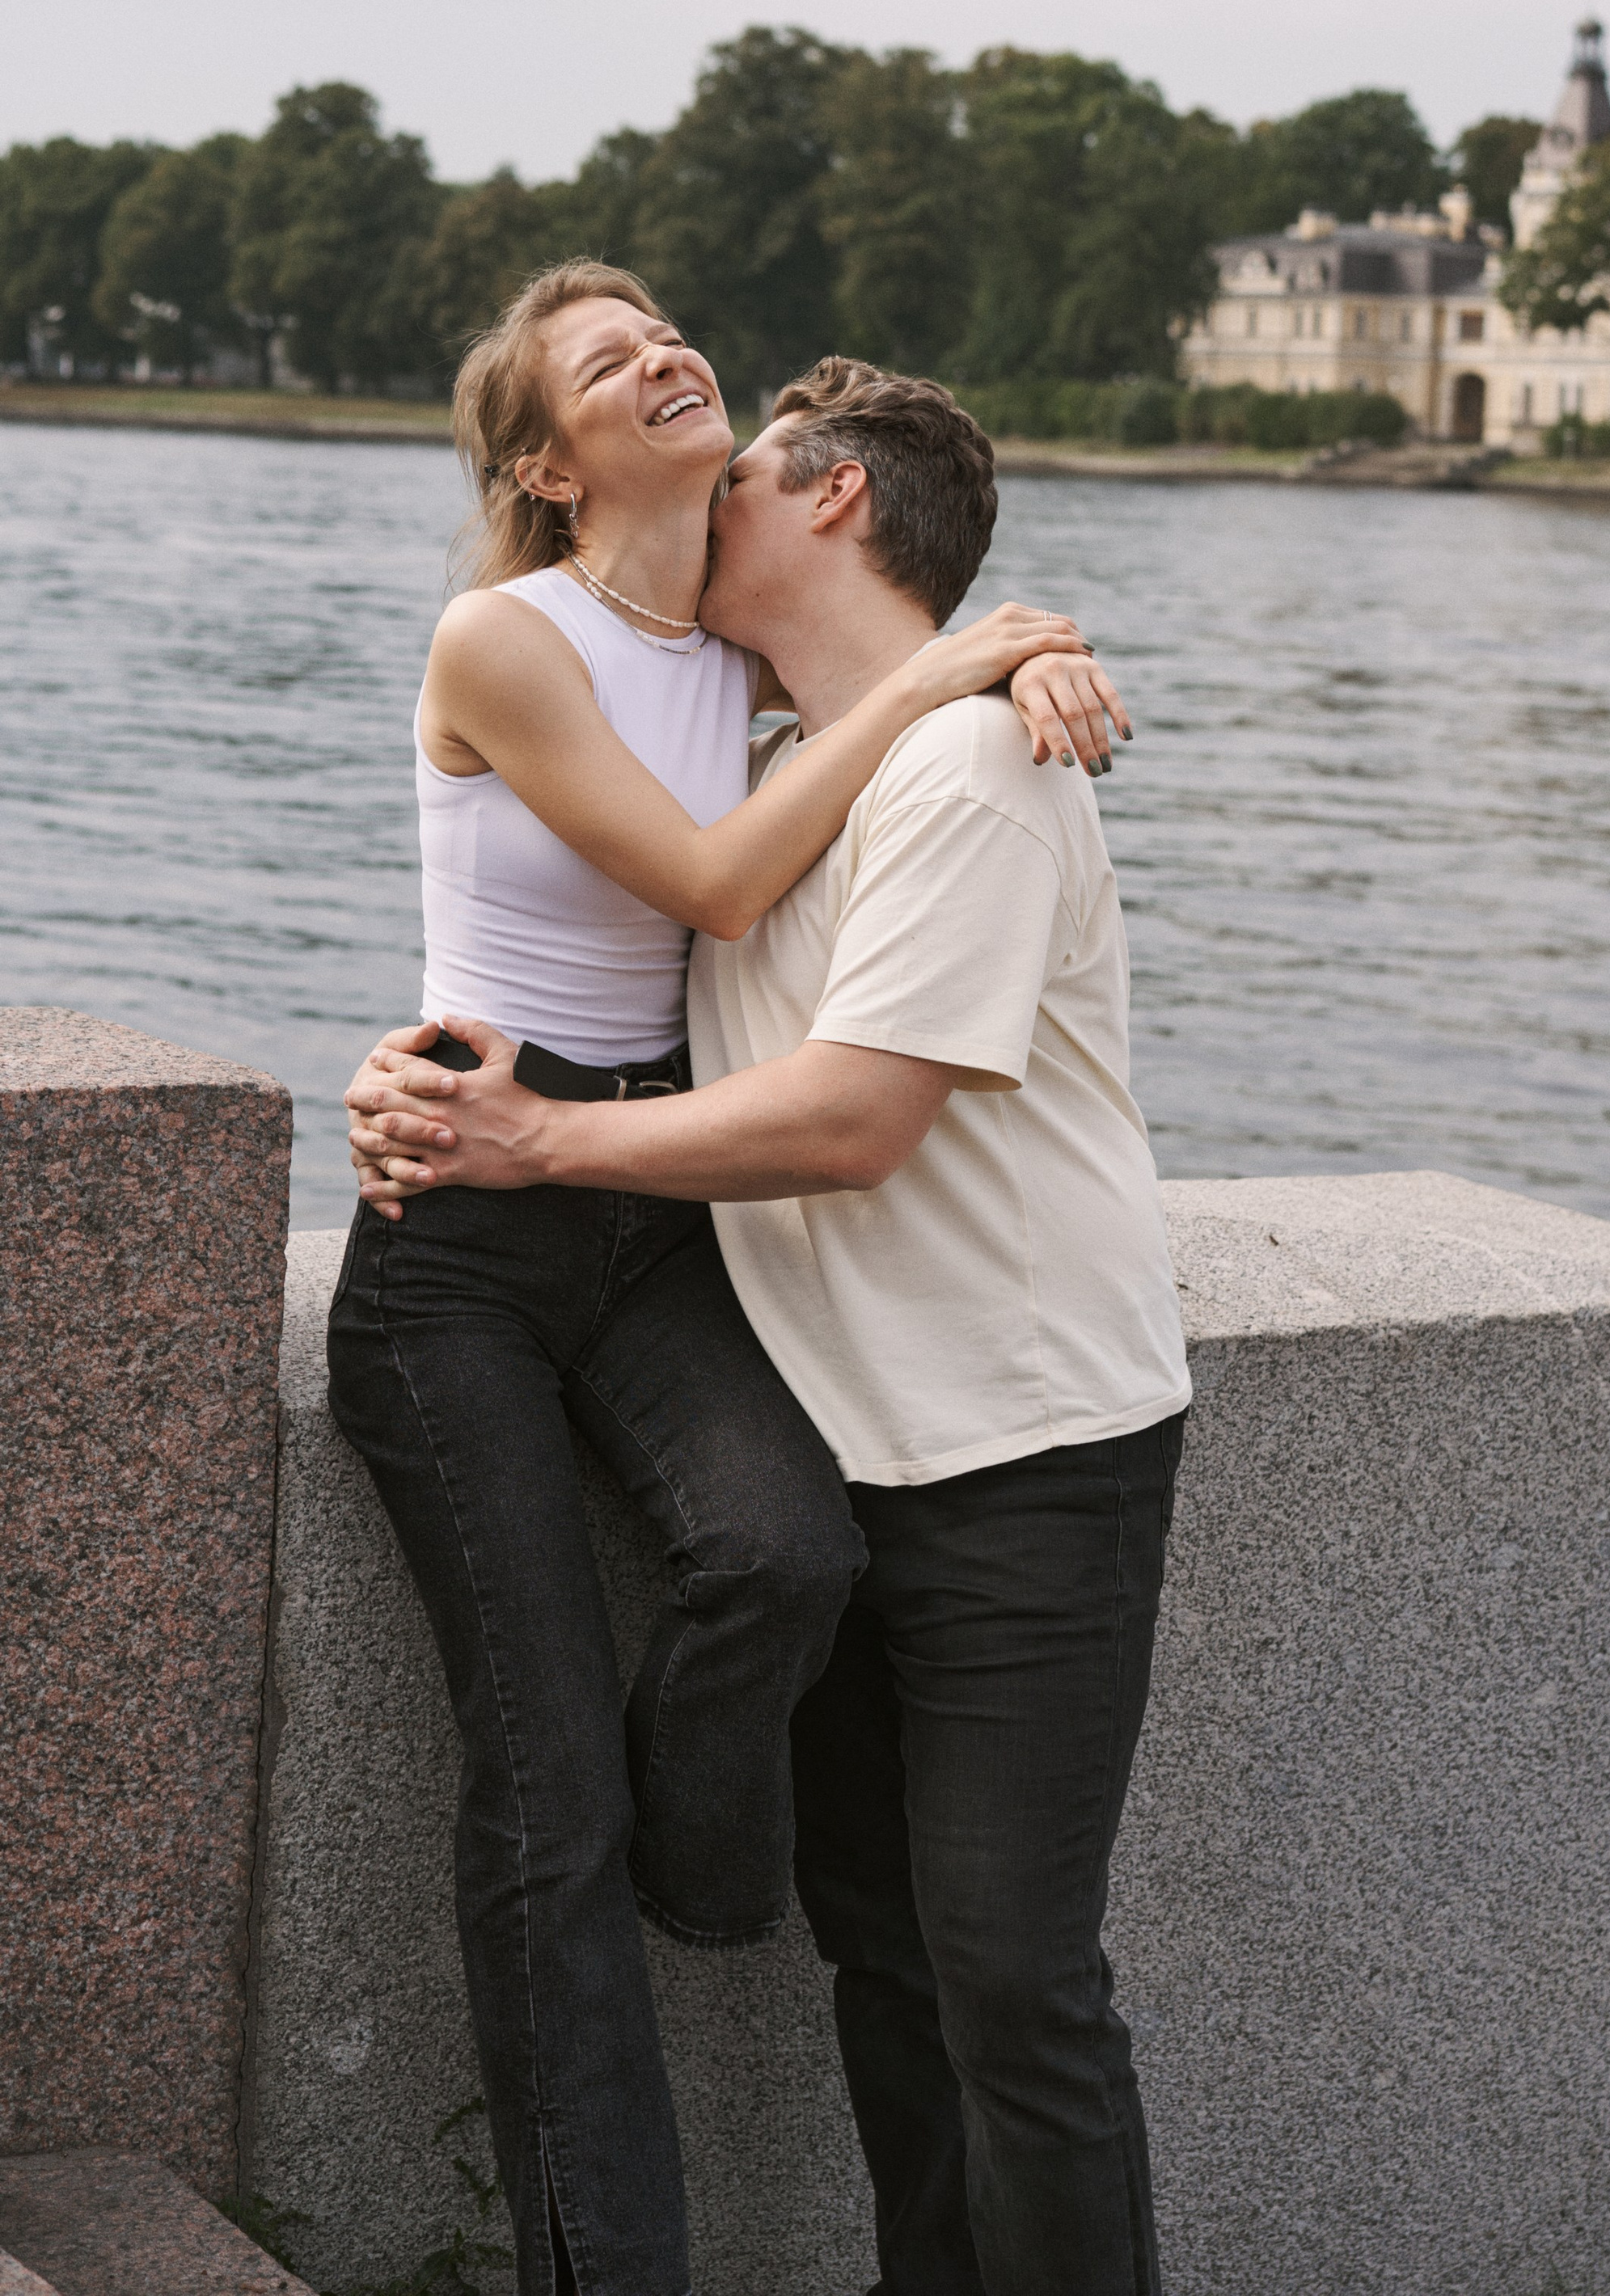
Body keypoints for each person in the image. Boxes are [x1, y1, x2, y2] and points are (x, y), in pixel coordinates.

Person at [349, 357, 1193, 2296]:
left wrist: (539, 1141)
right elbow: (570, 914)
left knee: (1013, 1994)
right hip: (846, 1450)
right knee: (890, 1978)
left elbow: (851, 1115)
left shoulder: (970, 770)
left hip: (1026, 1458)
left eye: (734, 479)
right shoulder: (773, 759)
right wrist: (423, 1072)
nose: (698, 496)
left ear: (819, 497)